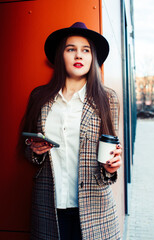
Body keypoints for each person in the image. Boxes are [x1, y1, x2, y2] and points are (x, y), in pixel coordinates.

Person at [19, 22, 122, 240]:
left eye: (86, 50)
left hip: (96, 210)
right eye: (71, 49)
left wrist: (111, 168)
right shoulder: (39, 97)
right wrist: (35, 151)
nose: (79, 55)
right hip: (48, 207)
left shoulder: (107, 99)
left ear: (93, 58)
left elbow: (112, 149)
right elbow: (26, 148)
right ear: (60, 56)